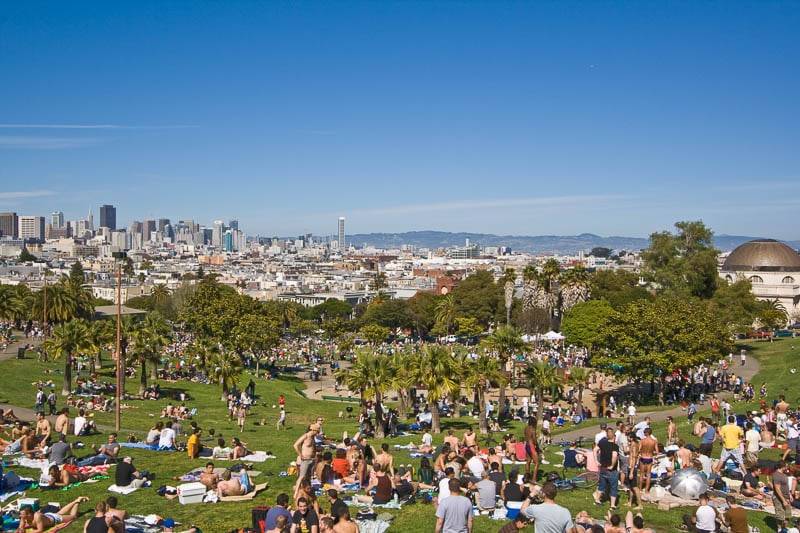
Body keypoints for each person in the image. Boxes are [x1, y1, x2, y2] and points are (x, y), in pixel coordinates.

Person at [17, 496, 88, 533]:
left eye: (22, 514)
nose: (20, 516)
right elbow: (20, 527)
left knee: (73, 516)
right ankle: (75, 501)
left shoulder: (37, 516)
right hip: (48, 515)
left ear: (29, 514)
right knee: (60, 512)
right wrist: (20, 530)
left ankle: (77, 501)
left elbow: (40, 530)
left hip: (55, 519)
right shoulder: (24, 518)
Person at [594, 427, 619, 509]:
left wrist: (596, 461)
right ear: (614, 437)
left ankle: (597, 500)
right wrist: (612, 465)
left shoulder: (602, 443)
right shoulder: (615, 446)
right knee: (613, 487)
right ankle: (612, 505)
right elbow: (614, 456)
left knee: (601, 485)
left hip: (603, 468)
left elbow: (595, 450)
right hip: (611, 470)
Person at [294, 423, 320, 493]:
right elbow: (295, 445)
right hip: (305, 460)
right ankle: (296, 492)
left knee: (309, 476)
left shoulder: (313, 438)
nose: (317, 433)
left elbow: (312, 448)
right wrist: (300, 455)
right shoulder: (306, 436)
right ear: (313, 430)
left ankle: (308, 488)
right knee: (302, 476)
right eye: (317, 431)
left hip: (312, 459)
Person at [771, 461, 793, 531]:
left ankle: (784, 528)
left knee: (788, 514)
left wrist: (790, 495)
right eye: (786, 465)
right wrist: (783, 500)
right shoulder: (776, 475)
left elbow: (786, 486)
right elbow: (777, 489)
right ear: (782, 466)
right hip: (778, 497)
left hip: (786, 497)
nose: (787, 467)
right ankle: (779, 529)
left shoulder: (784, 474)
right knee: (780, 515)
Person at [524, 417, 540, 481]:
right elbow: (534, 440)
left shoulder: (526, 428)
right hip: (531, 446)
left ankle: (527, 476)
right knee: (537, 463)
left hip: (527, 445)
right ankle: (534, 479)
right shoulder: (533, 429)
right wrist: (537, 446)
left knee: (528, 461)